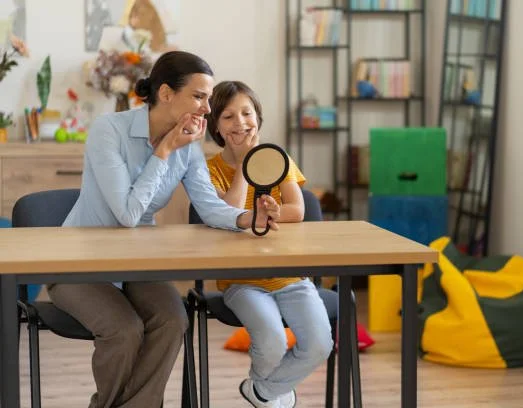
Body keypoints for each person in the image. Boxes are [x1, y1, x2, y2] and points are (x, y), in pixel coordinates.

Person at [48, 52, 280, 408]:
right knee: (124, 331)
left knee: (173, 319)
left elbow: (209, 206)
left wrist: (249, 220)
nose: (207, 109)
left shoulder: (188, 146)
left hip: (136, 262)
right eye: (199, 97)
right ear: (168, 94)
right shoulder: (109, 130)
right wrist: (166, 150)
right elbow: (127, 213)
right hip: (77, 264)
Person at [206, 80, 333, 408]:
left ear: (258, 118)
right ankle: (272, 394)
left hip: (289, 276)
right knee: (273, 340)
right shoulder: (210, 170)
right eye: (229, 116)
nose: (240, 123)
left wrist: (277, 211)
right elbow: (228, 211)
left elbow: (298, 210)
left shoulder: (278, 159)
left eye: (247, 113)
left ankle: (262, 391)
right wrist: (246, 166)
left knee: (320, 343)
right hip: (242, 281)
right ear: (216, 126)